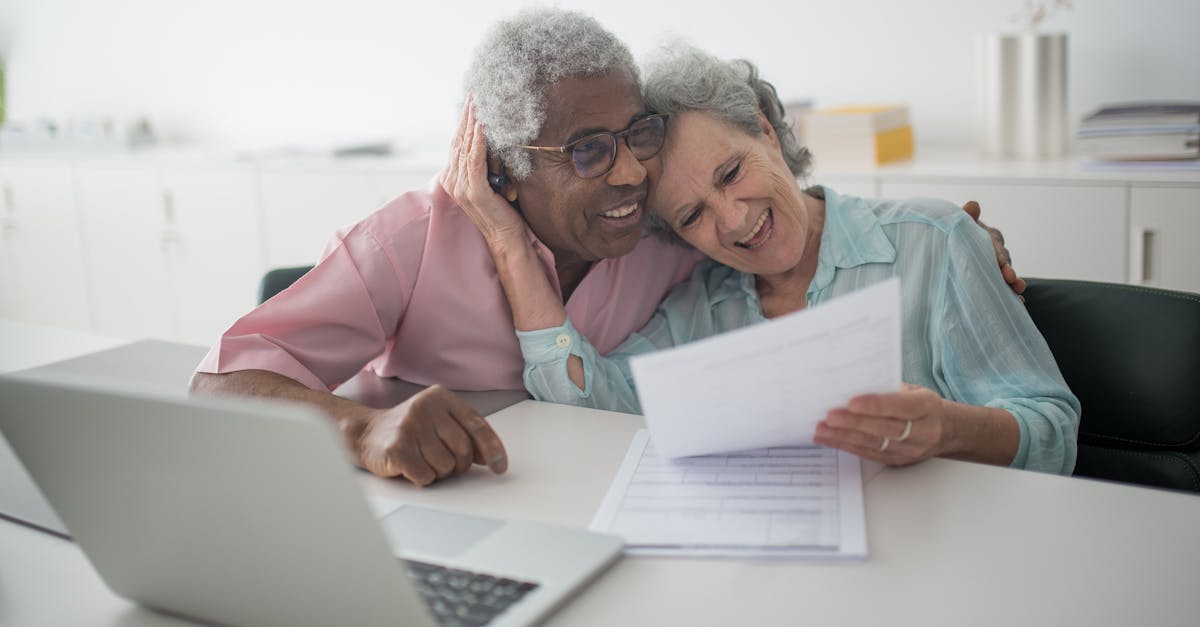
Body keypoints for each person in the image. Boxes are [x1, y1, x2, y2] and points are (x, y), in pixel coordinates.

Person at [191, 9, 1021, 487]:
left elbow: (786, 226)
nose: (630, 171)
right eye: (589, 149)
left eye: (638, 134)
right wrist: (362, 430)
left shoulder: (670, 236)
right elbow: (217, 386)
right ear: (506, 170)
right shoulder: (412, 240)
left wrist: (960, 236)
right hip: (422, 514)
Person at [446, 44, 1080, 474]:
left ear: (765, 131)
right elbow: (584, 407)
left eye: (730, 172)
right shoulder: (701, 306)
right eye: (691, 216)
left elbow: (1053, 431)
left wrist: (948, 428)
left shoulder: (933, 240)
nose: (734, 219)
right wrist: (509, 245)